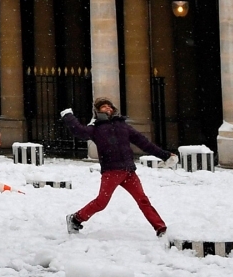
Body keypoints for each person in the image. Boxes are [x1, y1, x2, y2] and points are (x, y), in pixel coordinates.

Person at [62, 98, 175, 237]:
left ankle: (160, 229)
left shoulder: (123, 126)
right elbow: (79, 131)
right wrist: (68, 116)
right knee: (101, 202)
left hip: (129, 171)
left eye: (110, 106)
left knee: (143, 200)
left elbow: (144, 143)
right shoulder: (95, 128)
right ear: (97, 111)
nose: (108, 108)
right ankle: (75, 219)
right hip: (111, 171)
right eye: (104, 106)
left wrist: (164, 155)